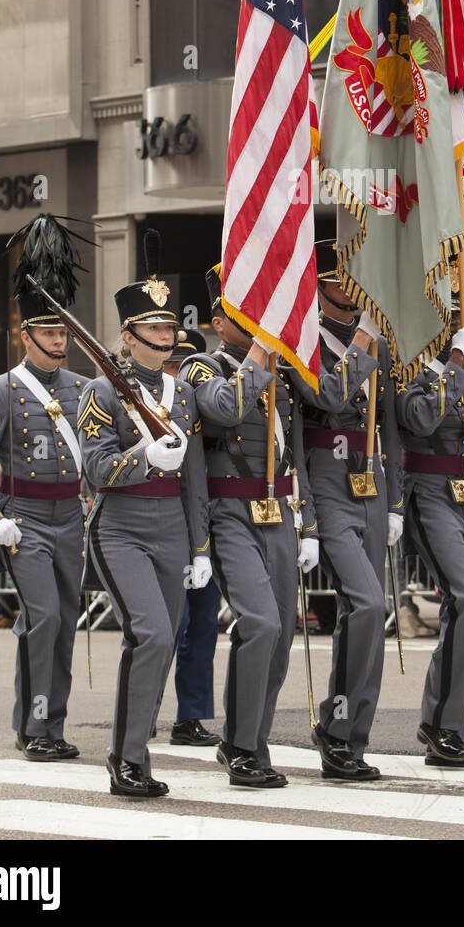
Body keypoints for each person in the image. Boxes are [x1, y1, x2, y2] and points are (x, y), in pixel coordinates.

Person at [80, 235, 210, 798]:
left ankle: (136, 747)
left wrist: (199, 545)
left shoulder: (182, 395)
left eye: (168, 329)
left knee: (162, 638)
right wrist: (143, 456)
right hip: (122, 526)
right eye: (155, 330)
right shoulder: (102, 392)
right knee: (152, 634)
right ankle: (126, 757)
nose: (168, 337)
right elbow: (94, 468)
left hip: (172, 530)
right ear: (128, 338)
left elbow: (196, 477)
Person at [181, 264, 317, 790]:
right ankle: (242, 746)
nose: (261, 322)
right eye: (247, 314)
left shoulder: (278, 374)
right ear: (219, 320)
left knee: (280, 634)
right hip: (231, 512)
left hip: (280, 511)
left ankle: (249, 740)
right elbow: (224, 407)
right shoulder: (200, 366)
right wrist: (261, 350)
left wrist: (309, 522)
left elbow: (294, 452)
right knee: (258, 622)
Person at [0, 217, 86, 759]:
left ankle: (51, 724)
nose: (59, 342)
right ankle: (33, 727)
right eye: (50, 334)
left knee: (64, 620)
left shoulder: (85, 389)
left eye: (63, 333)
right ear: (25, 335)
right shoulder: (1, 391)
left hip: (70, 520)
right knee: (44, 615)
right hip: (24, 517)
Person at [285, 240, 402, 782]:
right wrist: (361, 343)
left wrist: (394, 498)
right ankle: (337, 728)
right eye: (341, 284)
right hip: (326, 482)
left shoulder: (375, 341)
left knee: (368, 614)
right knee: (366, 601)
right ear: (320, 290)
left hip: (368, 481)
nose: (352, 293)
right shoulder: (301, 342)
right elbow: (329, 398)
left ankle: (348, 733)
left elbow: (389, 426)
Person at [395, 270, 464, 767]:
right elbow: (420, 419)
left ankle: (443, 721)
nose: (459, 315)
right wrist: (456, 361)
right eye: (451, 308)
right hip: (430, 489)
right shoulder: (411, 360)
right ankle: (443, 727)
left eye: (462, 307)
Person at [165, 331, 221, 748]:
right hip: (161, 523)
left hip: (205, 525)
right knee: (165, 626)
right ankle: (143, 709)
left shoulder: (197, 404)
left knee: (202, 626)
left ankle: (191, 716)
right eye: (169, 365)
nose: (176, 374)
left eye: (180, 366)